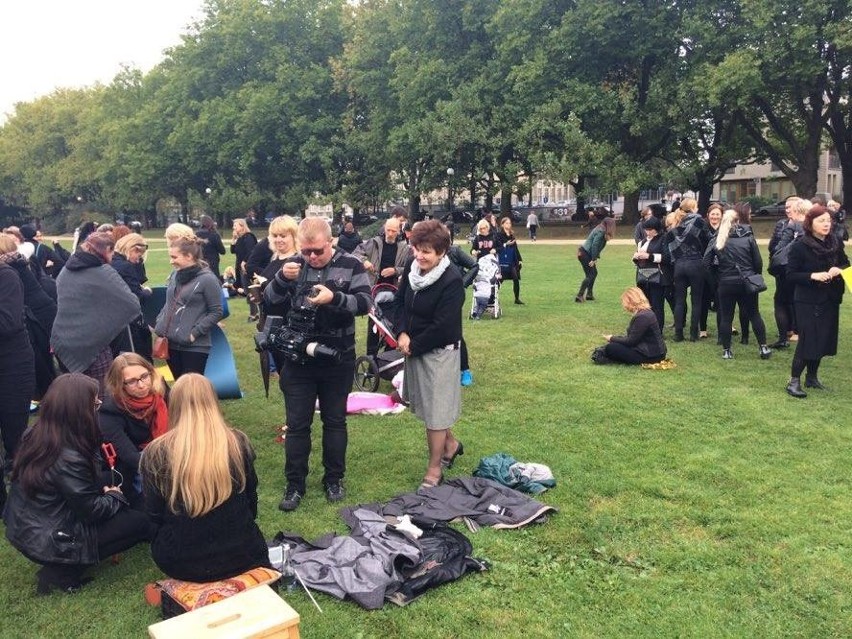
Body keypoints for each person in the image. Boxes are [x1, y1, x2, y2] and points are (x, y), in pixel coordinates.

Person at [3, 373, 152, 594]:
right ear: (78, 410)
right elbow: (92, 511)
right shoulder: (68, 457)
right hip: (55, 538)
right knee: (143, 521)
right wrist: (114, 496)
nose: (99, 408)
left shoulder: (37, 433)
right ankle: (62, 572)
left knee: (118, 484)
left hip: (27, 528)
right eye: (95, 403)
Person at [263, 218, 371, 511]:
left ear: (330, 241)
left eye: (317, 251)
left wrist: (334, 297)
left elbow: (365, 303)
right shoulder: (292, 265)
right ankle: (294, 484)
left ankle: (334, 479)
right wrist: (282, 279)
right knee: (297, 424)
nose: (311, 257)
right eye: (306, 250)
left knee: (335, 421)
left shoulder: (351, 264)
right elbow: (268, 300)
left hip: (338, 356)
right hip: (299, 359)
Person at [140, 374, 270, 582]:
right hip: (242, 553)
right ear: (213, 401)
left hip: (180, 561)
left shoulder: (156, 452)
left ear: (174, 403)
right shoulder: (237, 443)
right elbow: (251, 501)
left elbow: (153, 514)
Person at [396, 220, 465, 489]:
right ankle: (451, 445)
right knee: (427, 406)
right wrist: (402, 332)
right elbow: (399, 303)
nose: (420, 256)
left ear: (441, 252)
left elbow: (444, 326)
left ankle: (434, 468)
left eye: (426, 251)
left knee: (436, 413)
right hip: (413, 346)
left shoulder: (452, 280)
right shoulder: (411, 271)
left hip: (439, 352)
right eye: (416, 249)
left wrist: (413, 344)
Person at [51, 232, 141, 396]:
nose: (113, 257)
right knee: (100, 397)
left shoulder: (66, 270)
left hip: (61, 341)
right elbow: (132, 304)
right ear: (106, 250)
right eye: (112, 252)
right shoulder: (103, 271)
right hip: (91, 346)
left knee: (74, 395)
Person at [784, 205, 850, 398]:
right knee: (808, 339)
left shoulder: (835, 242)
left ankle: (811, 377)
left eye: (828, 221)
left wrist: (839, 269)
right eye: (821, 221)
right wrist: (813, 275)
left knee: (823, 339)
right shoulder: (800, 245)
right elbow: (790, 275)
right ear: (810, 223)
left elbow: (846, 263)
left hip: (830, 298)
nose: (826, 224)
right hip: (808, 300)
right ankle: (794, 381)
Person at [99, 353, 169, 508]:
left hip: (165, 453)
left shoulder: (160, 391)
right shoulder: (109, 412)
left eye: (145, 376)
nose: (142, 385)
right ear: (119, 384)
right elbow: (130, 457)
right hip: (134, 471)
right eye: (131, 382)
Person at [703, 210, 772, 360]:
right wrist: (754, 276)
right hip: (747, 280)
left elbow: (706, 263)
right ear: (738, 222)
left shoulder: (718, 239)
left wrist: (716, 279)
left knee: (726, 317)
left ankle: (727, 350)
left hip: (726, 281)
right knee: (754, 314)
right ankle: (763, 347)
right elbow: (758, 262)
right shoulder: (748, 238)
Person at [154, 237, 223, 378]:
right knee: (179, 386)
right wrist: (160, 321)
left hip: (195, 347)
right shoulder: (175, 275)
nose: (170, 261)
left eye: (174, 257)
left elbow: (216, 311)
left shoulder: (208, 279)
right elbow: (170, 301)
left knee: (191, 390)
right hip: (170, 343)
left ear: (189, 256)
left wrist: (194, 334)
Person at [0, 250, 36, 507]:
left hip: (11, 365)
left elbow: (8, 322)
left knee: (15, 432)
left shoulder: (6, 277)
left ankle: (25, 491)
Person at [0, 234, 55, 398]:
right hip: (38, 317)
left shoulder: (11, 271)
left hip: (34, 319)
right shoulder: (21, 263)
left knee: (41, 367)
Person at [353, 217, 408, 355]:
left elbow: (409, 266)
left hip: (394, 290)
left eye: (393, 231)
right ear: (384, 228)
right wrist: (364, 261)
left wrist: (395, 270)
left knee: (391, 323)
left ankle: (388, 356)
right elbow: (355, 254)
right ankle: (371, 357)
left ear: (399, 231)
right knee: (374, 325)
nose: (390, 233)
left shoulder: (404, 248)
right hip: (374, 289)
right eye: (388, 230)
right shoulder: (374, 243)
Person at [668, 198, 711, 341]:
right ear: (693, 207)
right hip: (695, 263)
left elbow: (670, 244)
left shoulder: (676, 221)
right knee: (696, 300)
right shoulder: (698, 221)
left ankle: (678, 334)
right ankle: (693, 334)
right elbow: (709, 239)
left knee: (679, 300)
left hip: (679, 265)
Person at [768, 197, 808, 348]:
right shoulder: (812, 226)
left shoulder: (793, 225)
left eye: (791, 207)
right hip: (804, 271)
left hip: (789, 269)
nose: (788, 210)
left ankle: (785, 337)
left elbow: (779, 247)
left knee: (781, 301)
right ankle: (796, 333)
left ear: (797, 210)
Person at [111, 233, 153, 360]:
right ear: (132, 249)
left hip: (115, 320)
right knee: (141, 357)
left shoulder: (112, 262)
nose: (139, 259)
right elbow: (136, 296)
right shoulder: (126, 267)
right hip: (130, 321)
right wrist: (147, 292)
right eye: (138, 255)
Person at [598, 287, 667, 365]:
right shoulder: (646, 312)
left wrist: (611, 338)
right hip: (656, 353)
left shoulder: (642, 317)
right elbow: (633, 337)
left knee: (611, 348)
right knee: (614, 345)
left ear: (631, 302)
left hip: (651, 356)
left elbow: (630, 341)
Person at [632, 216, 668, 330]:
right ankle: (646, 328)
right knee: (645, 305)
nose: (647, 232)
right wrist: (635, 257)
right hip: (643, 276)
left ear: (656, 229)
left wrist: (649, 256)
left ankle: (658, 330)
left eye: (650, 230)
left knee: (657, 305)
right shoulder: (642, 241)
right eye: (646, 230)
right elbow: (638, 262)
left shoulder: (663, 239)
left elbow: (667, 257)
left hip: (657, 278)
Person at [575, 213, 615, 302]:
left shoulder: (601, 229)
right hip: (585, 254)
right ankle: (580, 295)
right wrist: (593, 259)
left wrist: (595, 257)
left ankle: (589, 294)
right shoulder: (601, 231)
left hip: (584, 253)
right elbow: (595, 245)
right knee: (591, 274)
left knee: (592, 273)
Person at [496, 216, 524, 305]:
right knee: (500, 279)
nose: (509, 225)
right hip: (504, 260)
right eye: (507, 223)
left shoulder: (511, 235)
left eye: (510, 223)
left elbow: (515, 248)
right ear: (503, 224)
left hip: (512, 260)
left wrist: (519, 259)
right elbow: (498, 247)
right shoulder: (499, 235)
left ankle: (517, 298)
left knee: (515, 279)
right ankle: (493, 296)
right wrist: (506, 244)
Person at [230, 218, 258, 291]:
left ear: (242, 226)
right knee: (242, 287)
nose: (233, 228)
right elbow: (232, 251)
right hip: (239, 265)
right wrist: (233, 239)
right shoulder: (240, 238)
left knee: (248, 288)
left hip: (247, 265)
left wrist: (244, 261)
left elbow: (251, 251)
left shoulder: (248, 237)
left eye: (235, 226)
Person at [196, 215, 226, 281]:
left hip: (200, 261)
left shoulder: (197, 234)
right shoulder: (214, 235)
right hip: (212, 263)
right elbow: (222, 251)